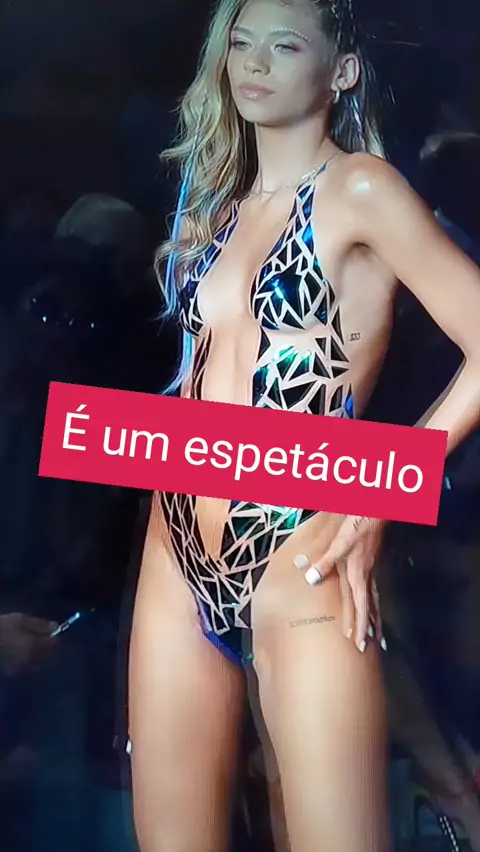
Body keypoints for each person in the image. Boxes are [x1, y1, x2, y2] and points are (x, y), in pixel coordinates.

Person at [128, 1, 480, 850]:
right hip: (175, 546)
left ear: (341, 71)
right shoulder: (213, 204)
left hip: (300, 549)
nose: (254, 63)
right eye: (241, 43)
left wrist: (378, 493)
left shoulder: (361, 189)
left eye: (284, 46)